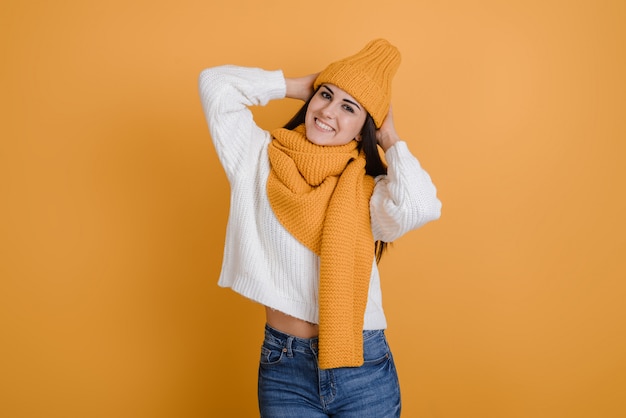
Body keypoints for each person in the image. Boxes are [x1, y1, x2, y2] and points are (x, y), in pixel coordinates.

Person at [198, 39, 441, 418]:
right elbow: (215, 84)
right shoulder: (257, 158)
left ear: (366, 127)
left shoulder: (369, 192)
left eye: (349, 107)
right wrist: (297, 86)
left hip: (363, 366)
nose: (328, 111)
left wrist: (390, 139)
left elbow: (421, 206)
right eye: (325, 95)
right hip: (285, 367)